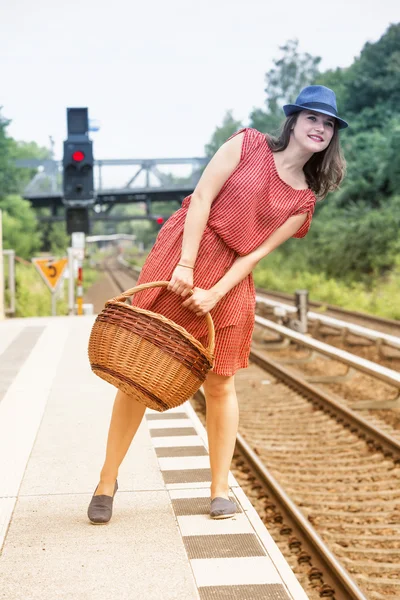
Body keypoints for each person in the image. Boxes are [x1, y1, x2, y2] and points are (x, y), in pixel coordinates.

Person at [87, 85, 347, 523]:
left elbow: (256, 253)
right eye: (312, 118)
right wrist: (186, 266)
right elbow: (202, 198)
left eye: (328, 124)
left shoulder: (304, 200)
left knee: (221, 381)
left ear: (331, 136)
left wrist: (216, 292)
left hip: (230, 280)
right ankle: (107, 481)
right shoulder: (246, 144)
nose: (319, 128)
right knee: (136, 372)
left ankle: (220, 489)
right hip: (184, 251)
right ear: (294, 121)